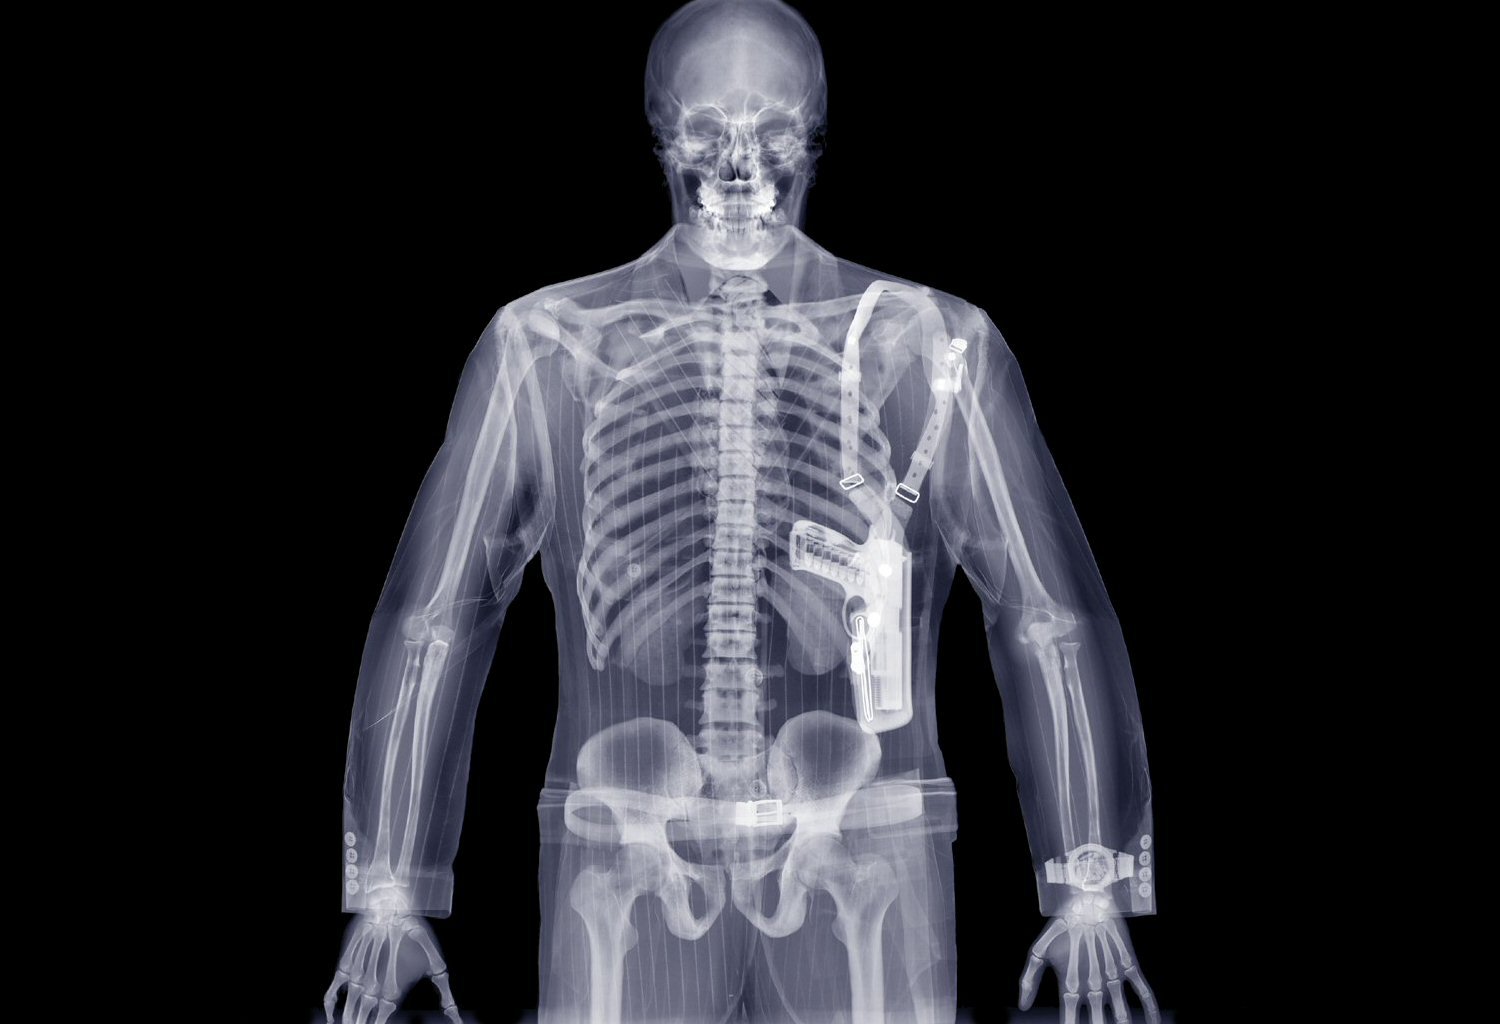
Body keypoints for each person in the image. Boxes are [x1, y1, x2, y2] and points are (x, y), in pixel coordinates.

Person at [324, 2, 1159, 1021]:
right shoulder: (546, 341)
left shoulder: (929, 342)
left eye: (771, 137)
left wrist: (1089, 876)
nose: (737, 169)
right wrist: (391, 883)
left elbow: (1045, 614)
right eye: (707, 136)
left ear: (812, 144)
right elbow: (438, 615)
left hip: (859, 821)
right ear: (661, 139)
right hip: (628, 829)